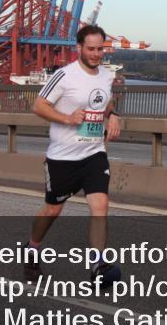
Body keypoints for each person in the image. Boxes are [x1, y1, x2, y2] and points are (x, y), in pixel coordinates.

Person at [24, 24, 122, 286]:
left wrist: (112, 115)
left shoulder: (105, 75)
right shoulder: (65, 76)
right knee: (53, 209)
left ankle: (98, 264)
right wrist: (67, 118)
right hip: (63, 157)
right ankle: (32, 247)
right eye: (90, 49)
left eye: (100, 49)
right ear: (79, 48)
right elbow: (39, 105)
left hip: (93, 153)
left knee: (100, 207)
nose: (96, 54)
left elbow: (106, 100)